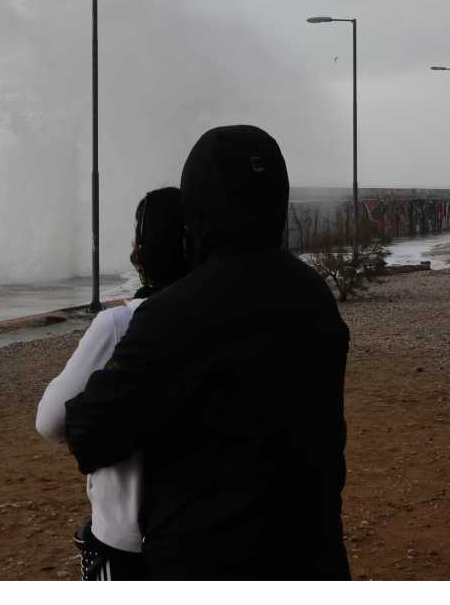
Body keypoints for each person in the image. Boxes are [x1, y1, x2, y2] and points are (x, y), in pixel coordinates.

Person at [64, 125, 351, 580]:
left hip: (205, 560)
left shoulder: (177, 312)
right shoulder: (311, 293)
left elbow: (93, 433)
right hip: (312, 553)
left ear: (196, 206)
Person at [35, 187, 188, 581]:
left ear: (145, 250)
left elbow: (50, 421)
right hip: (203, 533)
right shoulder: (227, 316)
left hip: (127, 538)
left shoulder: (120, 323)